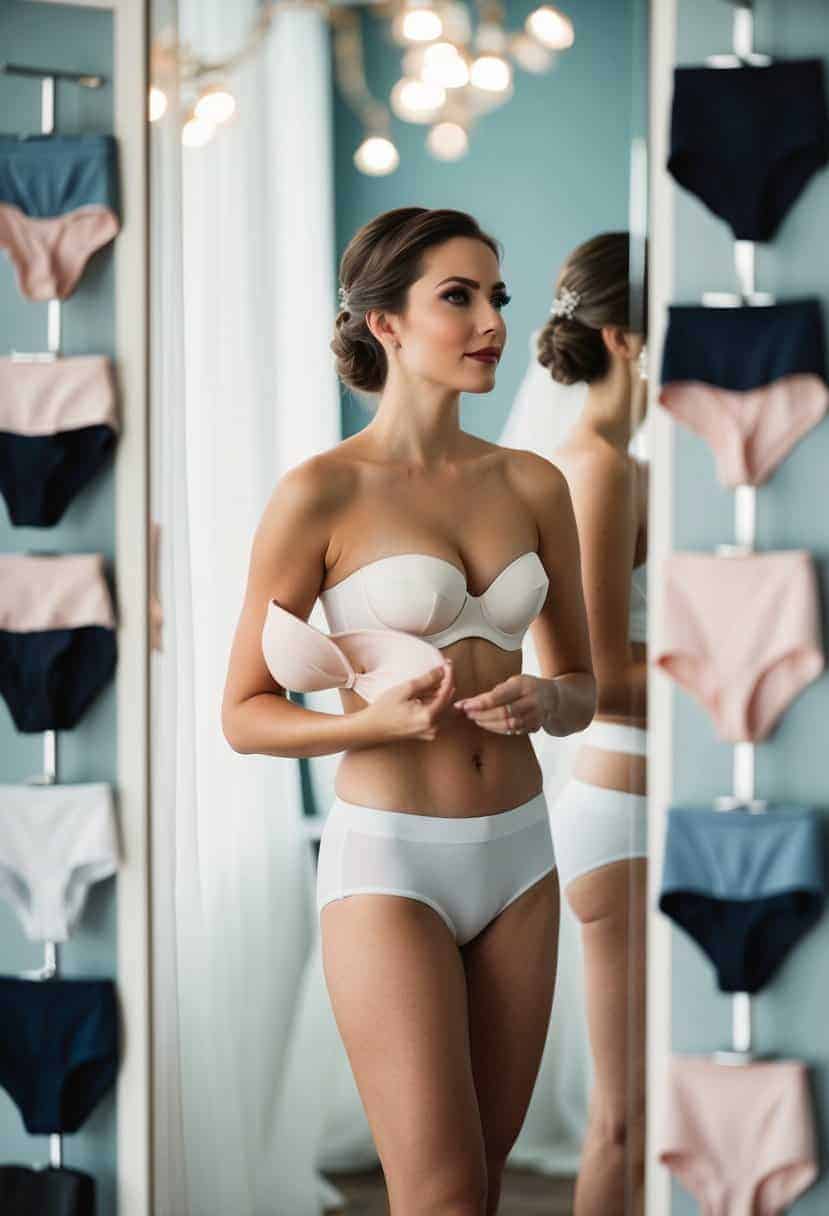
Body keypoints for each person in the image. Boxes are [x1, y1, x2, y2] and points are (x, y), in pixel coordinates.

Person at [221, 206, 596, 1216]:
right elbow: (245, 712)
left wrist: (546, 696)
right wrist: (361, 726)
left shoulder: (534, 482)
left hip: (521, 852)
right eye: (458, 297)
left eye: (496, 297)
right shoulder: (320, 494)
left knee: (487, 1179)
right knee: (436, 1193)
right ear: (384, 324)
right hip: (388, 857)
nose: (490, 322)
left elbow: (582, 688)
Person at [537, 231, 648, 1216]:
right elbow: (599, 675)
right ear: (623, 338)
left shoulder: (623, 461)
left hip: (638, 812)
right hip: (620, 816)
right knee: (626, 1114)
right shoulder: (600, 467)